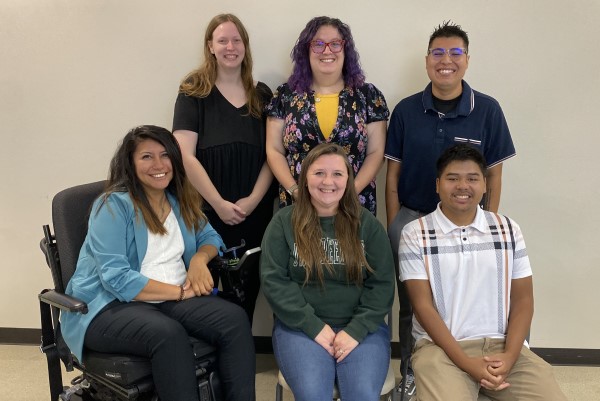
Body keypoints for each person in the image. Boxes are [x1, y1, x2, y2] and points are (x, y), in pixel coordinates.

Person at [61, 126, 256, 401]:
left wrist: (199, 260)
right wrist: (179, 292)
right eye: (146, 157)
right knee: (168, 335)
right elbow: (117, 278)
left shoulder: (178, 201)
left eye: (165, 155)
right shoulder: (113, 206)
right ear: (130, 163)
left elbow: (210, 236)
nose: (159, 165)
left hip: (170, 298)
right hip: (109, 305)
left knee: (235, 319)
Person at [384, 21, 516, 398]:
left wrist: (487, 223)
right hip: (414, 218)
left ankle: (472, 365)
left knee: (469, 295)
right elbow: (392, 176)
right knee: (411, 303)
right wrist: (396, 224)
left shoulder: (488, 110)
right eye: (438, 53)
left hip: (467, 220)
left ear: (467, 60)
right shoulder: (407, 110)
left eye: (455, 53)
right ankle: (412, 371)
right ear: (427, 61)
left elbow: (493, 175)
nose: (446, 61)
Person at [399, 144, 567, 401]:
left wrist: (510, 357)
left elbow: (523, 300)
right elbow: (422, 307)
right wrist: (468, 364)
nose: (462, 186)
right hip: (441, 349)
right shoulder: (414, 233)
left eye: (472, 179)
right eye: (452, 178)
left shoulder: (508, 228)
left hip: (503, 347)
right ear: (437, 184)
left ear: (485, 185)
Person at [260, 143, 395, 401]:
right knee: (312, 395)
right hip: (299, 328)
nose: (328, 182)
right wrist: (312, 325)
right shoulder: (283, 223)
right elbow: (274, 281)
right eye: (319, 173)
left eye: (337, 174)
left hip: (362, 328)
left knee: (363, 395)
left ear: (348, 179)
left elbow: (382, 285)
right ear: (304, 177)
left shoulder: (368, 225)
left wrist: (356, 330)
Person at [173, 13, 275, 323]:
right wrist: (218, 204)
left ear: (245, 45)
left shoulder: (263, 95)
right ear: (210, 47)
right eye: (222, 40)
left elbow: (273, 154)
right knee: (205, 289)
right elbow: (185, 156)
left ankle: (238, 357)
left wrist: (253, 200)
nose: (230, 47)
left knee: (247, 288)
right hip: (205, 212)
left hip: (253, 212)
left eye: (237, 40)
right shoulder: (193, 92)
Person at [266, 16, 389, 215]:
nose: (327, 51)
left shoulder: (368, 96)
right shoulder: (285, 95)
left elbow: (376, 153)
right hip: (298, 206)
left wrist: (348, 192)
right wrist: (296, 191)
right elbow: (274, 150)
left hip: (353, 205)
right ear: (306, 50)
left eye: (335, 44)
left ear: (345, 49)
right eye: (318, 44)